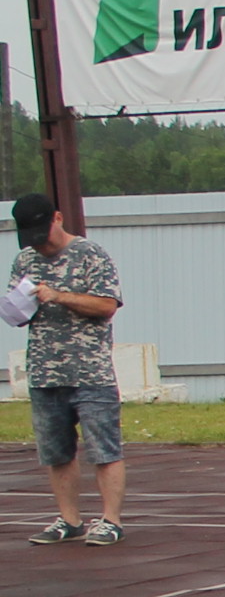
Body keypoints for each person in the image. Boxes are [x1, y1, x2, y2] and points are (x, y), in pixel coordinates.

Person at [15, 194, 128, 545]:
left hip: (90, 370)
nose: (40, 243)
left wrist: (59, 295)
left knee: (104, 448)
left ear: (58, 218)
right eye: (31, 236)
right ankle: (70, 519)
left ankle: (111, 520)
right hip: (44, 371)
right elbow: (16, 313)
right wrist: (17, 308)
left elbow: (107, 305)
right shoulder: (24, 260)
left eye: (43, 232)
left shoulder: (91, 255)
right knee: (56, 451)